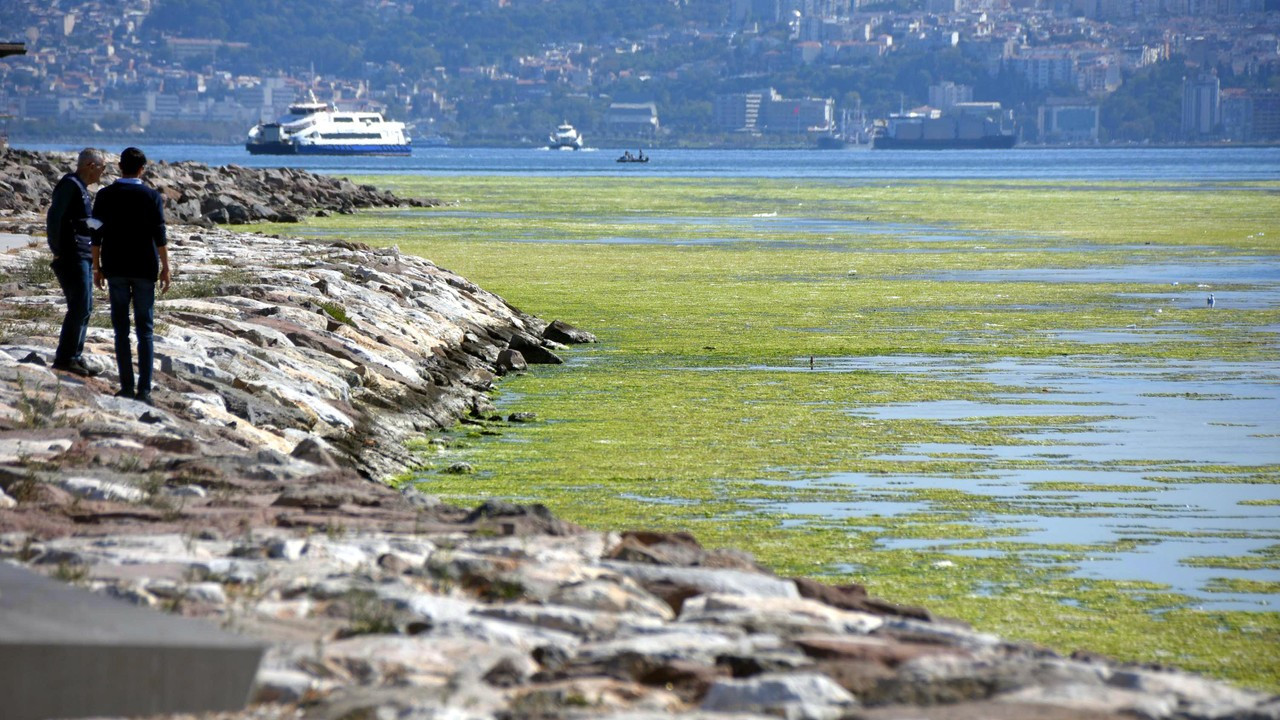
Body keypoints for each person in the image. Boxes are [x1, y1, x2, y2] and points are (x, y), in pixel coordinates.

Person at [91, 147, 170, 405]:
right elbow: (160, 235)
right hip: (145, 268)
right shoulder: (151, 196)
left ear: (119, 167)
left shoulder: (105, 195)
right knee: (145, 331)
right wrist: (165, 267)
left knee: (121, 330)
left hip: (115, 267)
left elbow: (96, 234)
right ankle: (144, 390)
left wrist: (96, 266)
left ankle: (126, 386)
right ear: (142, 168)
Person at [46, 148, 106, 376]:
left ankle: (75, 355)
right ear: (91, 165)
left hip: (83, 254)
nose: (102, 173)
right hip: (71, 255)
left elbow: (81, 221)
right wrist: (57, 250)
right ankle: (65, 357)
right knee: (79, 306)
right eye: (102, 168)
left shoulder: (81, 189)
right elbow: (55, 216)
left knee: (86, 307)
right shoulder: (70, 185)